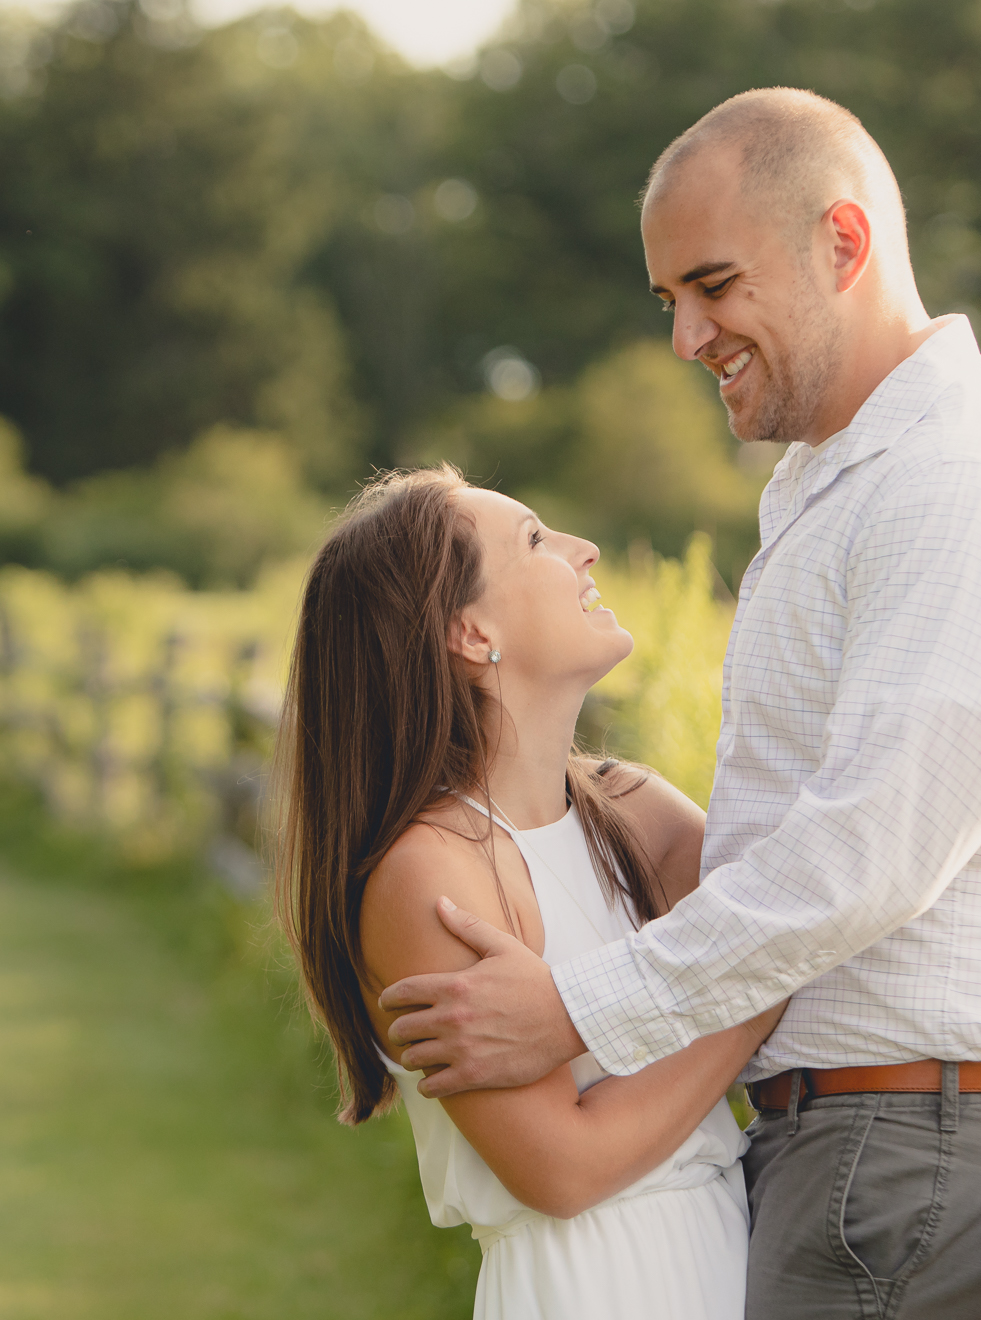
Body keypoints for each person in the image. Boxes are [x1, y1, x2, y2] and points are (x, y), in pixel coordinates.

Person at [379, 88, 981, 1319]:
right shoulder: (838, 484)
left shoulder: (962, 486)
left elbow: (866, 853)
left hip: (918, 1147)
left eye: (716, 285)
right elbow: (773, 850)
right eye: (669, 301)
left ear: (843, 244)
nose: (687, 338)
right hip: (877, 1147)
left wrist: (579, 1008)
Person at [274, 465, 786, 1318]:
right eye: (538, 540)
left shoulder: (633, 812)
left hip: (727, 1254)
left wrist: (767, 959)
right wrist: (761, 983)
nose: (584, 552)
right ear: (471, 633)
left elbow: (790, 899)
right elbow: (564, 1168)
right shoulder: (427, 873)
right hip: (594, 1286)